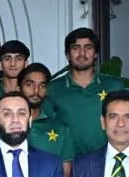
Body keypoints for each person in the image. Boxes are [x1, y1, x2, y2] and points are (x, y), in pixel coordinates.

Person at [47, 28, 124, 157]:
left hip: (107, 161)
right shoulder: (53, 89)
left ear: (96, 54)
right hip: (69, 162)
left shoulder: (114, 86)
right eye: (75, 48)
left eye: (88, 48)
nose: (82, 53)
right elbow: (46, 128)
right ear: (67, 55)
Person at [19, 63, 74, 177]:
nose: (36, 91)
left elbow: (65, 175)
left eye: (42, 86)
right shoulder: (8, 126)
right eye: (29, 85)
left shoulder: (61, 129)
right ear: (19, 88)